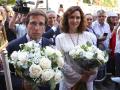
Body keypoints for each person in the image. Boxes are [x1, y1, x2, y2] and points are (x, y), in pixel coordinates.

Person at [2, 9, 53, 90]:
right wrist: (22, 84)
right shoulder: (12, 46)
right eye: (33, 23)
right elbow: (5, 75)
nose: (36, 28)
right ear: (26, 24)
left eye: (41, 24)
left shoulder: (50, 45)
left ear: (45, 28)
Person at [56, 6, 97, 90]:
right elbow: (61, 62)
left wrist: (92, 71)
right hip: (68, 82)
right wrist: (79, 77)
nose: (75, 20)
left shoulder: (89, 36)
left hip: (87, 79)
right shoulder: (60, 38)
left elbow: (96, 58)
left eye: (77, 17)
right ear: (66, 19)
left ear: (81, 19)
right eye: (71, 17)